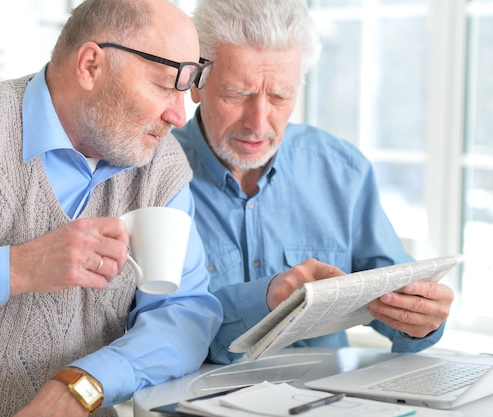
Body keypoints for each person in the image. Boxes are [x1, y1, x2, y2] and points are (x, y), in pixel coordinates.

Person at [173, 0, 455, 365]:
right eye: (237, 94)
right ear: (196, 83)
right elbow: (154, 329)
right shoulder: (152, 176)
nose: (258, 123)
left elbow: (395, 297)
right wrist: (268, 298)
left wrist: (421, 319)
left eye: (279, 96)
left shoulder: (342, 172)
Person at [0, 0, 223, 416]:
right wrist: (19, 267)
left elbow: (183, 311)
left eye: (185, 90)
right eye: (165, 84)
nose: (179, 116)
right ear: (91, 65)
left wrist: (83, 385)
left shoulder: (160, 167)